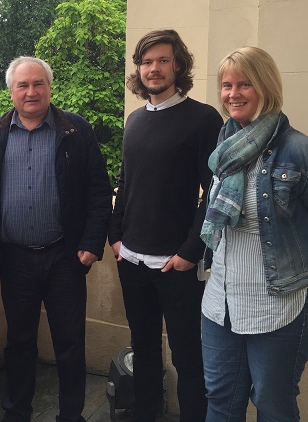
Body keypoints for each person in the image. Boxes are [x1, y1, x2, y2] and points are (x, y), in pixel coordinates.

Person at [200, 46, 308, 421]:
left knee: (272, 402)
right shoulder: (223, 148)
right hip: (221, 303)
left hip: (282, 303)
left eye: (245, 84)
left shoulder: (306, 154)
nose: (233, 93)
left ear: (266, 86)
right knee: (220, 399)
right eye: (226, 85)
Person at [0, 56, 112, 422]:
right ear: (11, 91)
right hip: (15, 258)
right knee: (18, 343)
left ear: (50, 87)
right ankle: (15, 413)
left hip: (64, 257)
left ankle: (71, 415)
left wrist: (90, 243)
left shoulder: (76, 131)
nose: (31, 92)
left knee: (69, 344)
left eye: (38, 84)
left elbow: (99, 192)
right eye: (23, 85)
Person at [108, 29, 222, 422]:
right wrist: (115, 237)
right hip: (132, 261)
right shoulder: (135, 120)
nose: (153, 69)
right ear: (138, 69)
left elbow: (215, 193)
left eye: (162, 61)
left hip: (177, 266)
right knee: (144, 350)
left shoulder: (203, 119)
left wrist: (191, 252)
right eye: (146, 62)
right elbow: (126, 183)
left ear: (178, 66)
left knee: (188, 358)